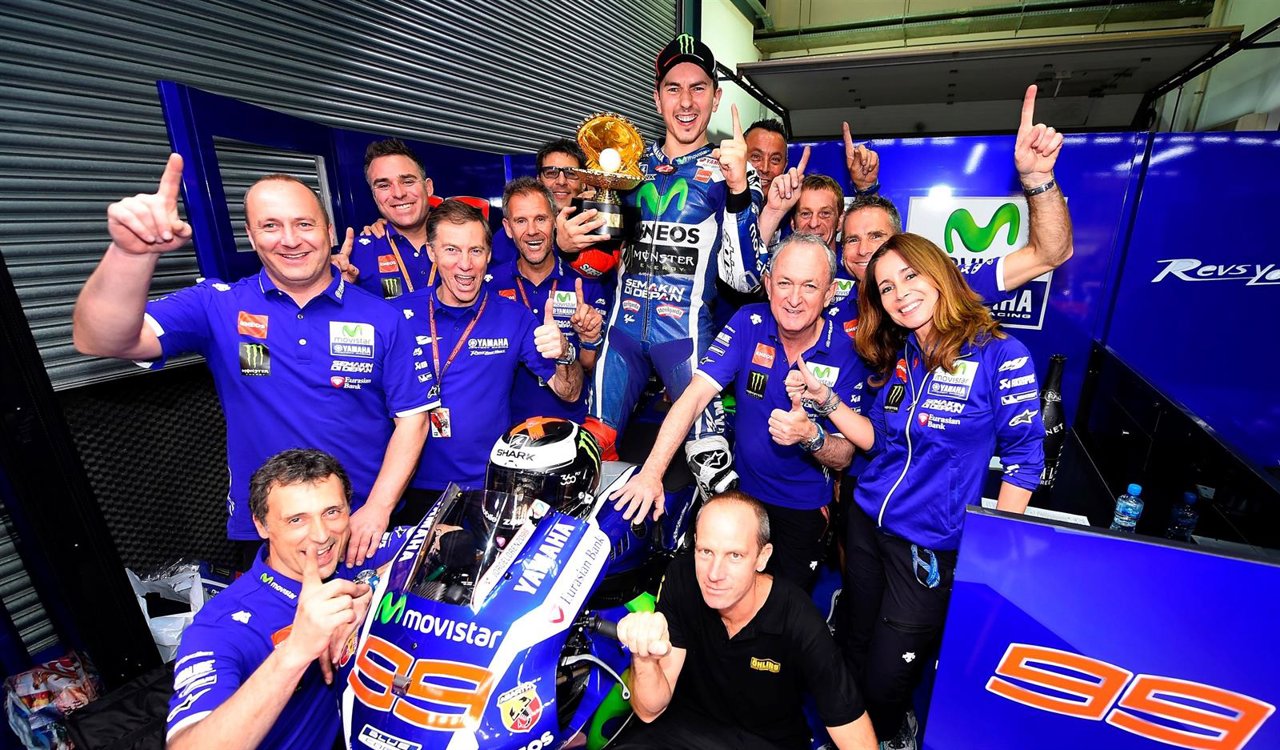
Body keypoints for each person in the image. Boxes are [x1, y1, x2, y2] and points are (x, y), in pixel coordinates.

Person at [72, 156, 432, 569]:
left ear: (329, 232)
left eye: (304, 224)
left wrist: (379, 509)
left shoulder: (382, 316)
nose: (290, 240)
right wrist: (129, 255)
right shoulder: (217, 304)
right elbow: (99, 338)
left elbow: (413, 419)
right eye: (271, 226)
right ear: (250, 234)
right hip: (267, 532)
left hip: (362, 527)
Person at [786, 233, 1046, 749]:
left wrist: (987, 554)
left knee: (889, 673)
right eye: (885, 287)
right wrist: (826, 399)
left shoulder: (1001, 354)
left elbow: (1024, 461)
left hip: (928, 546)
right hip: (866, 523)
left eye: (910, 276)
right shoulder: (904, 353)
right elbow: (877, 441)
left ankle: (881, 732)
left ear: (940, 272)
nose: (900, 294)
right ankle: (846, 732)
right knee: (856, 640)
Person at [612, 235, 870, 586]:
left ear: (828, 294)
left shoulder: (846, 351)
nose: (794, 299)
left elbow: (844, 457)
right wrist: (652, 473)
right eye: (784, 283)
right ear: (767, 284)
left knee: (780, 620)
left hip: (803, 510)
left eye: (809, 286)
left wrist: (811, 435)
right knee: (718, 595)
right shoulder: (748, 322)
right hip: (742, 498)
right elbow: (694, 397)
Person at [580, 34, 768, 505]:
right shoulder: (628, 165)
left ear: (717, 97)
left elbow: (745, 278)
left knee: (712, 471)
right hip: (619, 338)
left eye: (699, 88)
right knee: (588, 460)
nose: (685, 102)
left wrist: (741, 187)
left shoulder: (732, 168)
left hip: (685, 341)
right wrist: (571, 243)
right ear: (656, 95)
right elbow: (595, 257)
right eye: (673, 88)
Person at [166, 449, 409, 750]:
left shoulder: (353, 556)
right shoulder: (221, 626)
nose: (322, 535)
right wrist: (295, 651)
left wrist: (372, 587)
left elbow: (445, 535)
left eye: (332, 511)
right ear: (262, 525)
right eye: (297, 520)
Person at [614, 491, 876, 750]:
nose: (714, 574)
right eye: (706, 551)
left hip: (765, 742)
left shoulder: (797, 618)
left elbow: (852, 729)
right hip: (683, 730)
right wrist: (644, 658)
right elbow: (650, 711)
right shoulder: (682, 577)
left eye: (734, 556)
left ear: (762, 557)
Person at [830, 84, 1073, 343]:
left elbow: (1050, 254)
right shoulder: (833, 287)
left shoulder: (944, 282)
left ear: (901, 240)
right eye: (852, 240)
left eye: (877, 236)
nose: (864, 249)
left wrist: (1037, 179)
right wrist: (864, 190)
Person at [389, 199, 582, 527]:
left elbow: (569, 392)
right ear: (432, 253)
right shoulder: (394, 315)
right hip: (410, 487)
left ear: (489, 256)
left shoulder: (514, 317)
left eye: (475, 251)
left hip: (489, 488)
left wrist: (565, 353)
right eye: (452, 250)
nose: (465, 264)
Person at [487, 178, 608, 423]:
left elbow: (592, 368)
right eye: (521, 221)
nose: (532, 230)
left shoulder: (586, 285)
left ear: (555, 220)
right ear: (508, 228)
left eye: (540, 219)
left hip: (571, 424)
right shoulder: (488, 287)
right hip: (504, 429)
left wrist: (589, 340)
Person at [341, 138, 437, 300]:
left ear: (428, 187)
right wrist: (331, 284)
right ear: (374, 195)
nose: (399, 194)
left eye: (407, 181)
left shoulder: (464, 241)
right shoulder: (355, 255)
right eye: (384, 185)